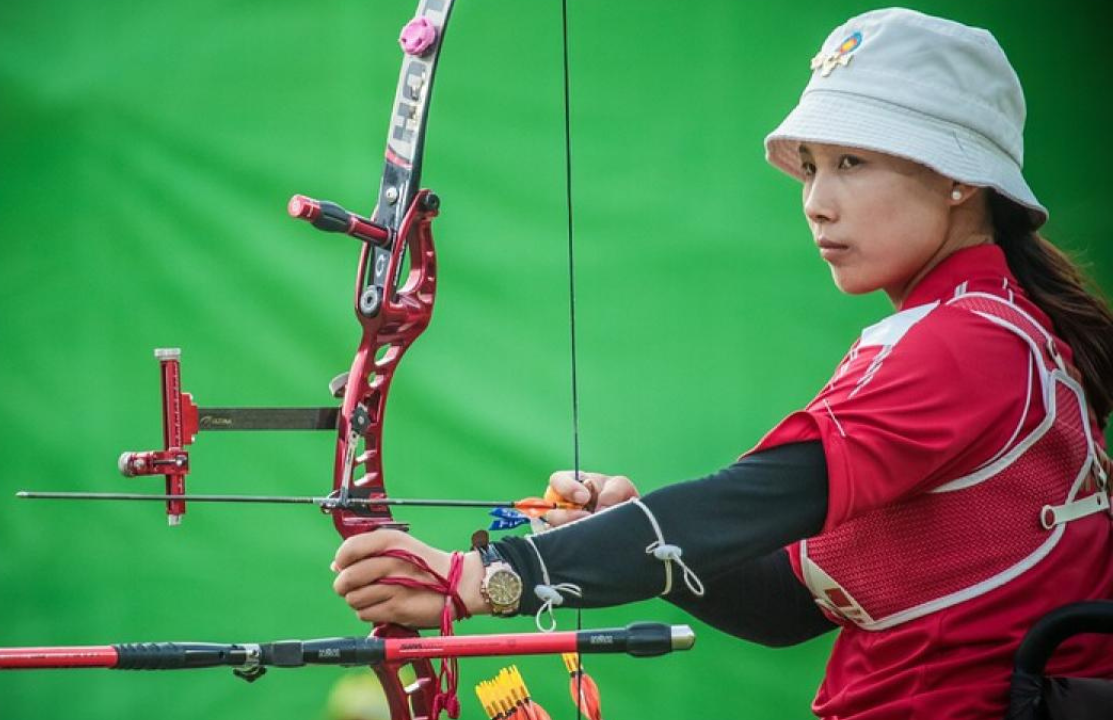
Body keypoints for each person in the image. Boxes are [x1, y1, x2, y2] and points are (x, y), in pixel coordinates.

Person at [331, 8, 1113, 718]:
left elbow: (757, 500)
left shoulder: (967, 343)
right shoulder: (992, 329)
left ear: (959, 178)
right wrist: (615, 531)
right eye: (810, 166)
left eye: (852, 163)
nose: (816, 200)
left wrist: (484, 578)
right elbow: (785, 606)